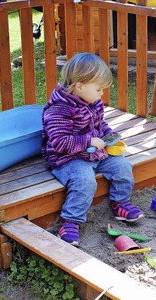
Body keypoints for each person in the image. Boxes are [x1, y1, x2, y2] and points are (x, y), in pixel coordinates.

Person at [41, 53, 143, 246]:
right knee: (85, 181)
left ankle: (119, 202)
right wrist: (90, 140)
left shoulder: (91, 101)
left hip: (94, 151)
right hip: (68, 158)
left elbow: (99, 123)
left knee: (122, 166)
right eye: (98, 89)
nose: (101, 94)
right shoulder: (59, 110)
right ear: (80, 86)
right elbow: (60, 142)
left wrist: (108, 135)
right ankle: (70, 221)